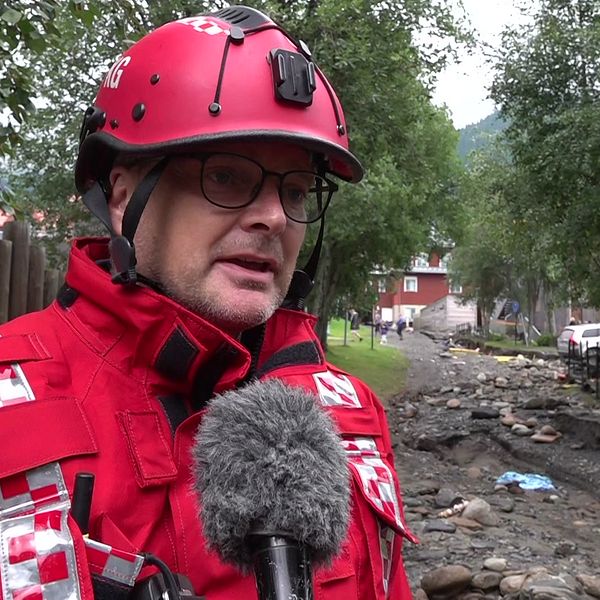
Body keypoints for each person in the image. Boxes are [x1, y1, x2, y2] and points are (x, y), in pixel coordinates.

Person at [0, 7, 414, 600]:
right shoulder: (11, 401)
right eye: (224, 175)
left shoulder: (350, 415)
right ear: (122, 198)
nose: (274, 216)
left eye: (294, 189)